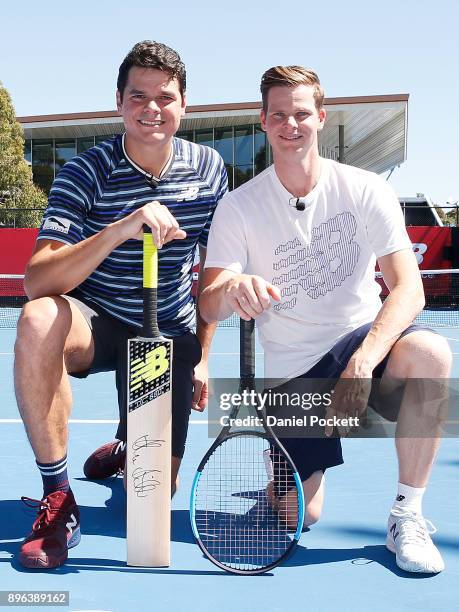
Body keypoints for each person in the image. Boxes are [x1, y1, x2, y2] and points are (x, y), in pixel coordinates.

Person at [199, 65, 451, 574]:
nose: (290, 124)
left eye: (301, 114)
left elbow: (409, 289)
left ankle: (407, 515)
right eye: (278, 115)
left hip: (363, 347)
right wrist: (232, 288)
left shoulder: (363, 189)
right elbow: (208, 302)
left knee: (431, 353)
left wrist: (362, 364)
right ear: (263, 121)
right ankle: (280, 484)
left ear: (321, 117)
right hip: (293, 372)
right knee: (302, 514)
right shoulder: (239, 206)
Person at [15, 40, 227, 569]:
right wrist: (120, 228)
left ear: (185, 105)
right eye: (138, 96)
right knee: (39, 317)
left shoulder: (209, 171)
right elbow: (37, 279)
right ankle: (59, 497)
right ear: (118, 101)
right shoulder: (84, 171)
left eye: (165, 96)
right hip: (100, 326)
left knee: (150, 497)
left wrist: (201, 356)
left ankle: (129, 447)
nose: (151, 107)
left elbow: (214, 273)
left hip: (165, 336)